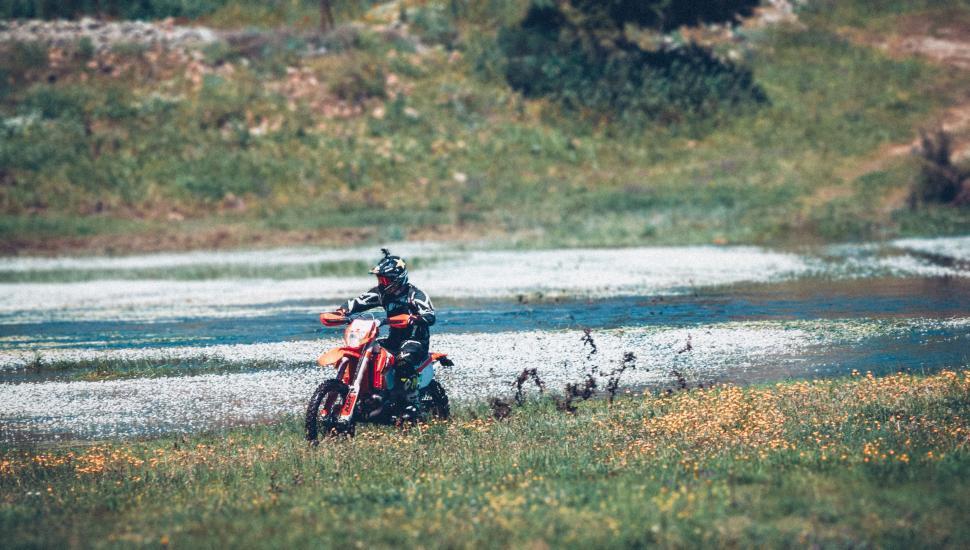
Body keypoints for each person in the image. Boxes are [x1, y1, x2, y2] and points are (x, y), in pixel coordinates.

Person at [331, 248, 436, 417]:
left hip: (415, 340)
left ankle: (412, 402)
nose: (382, 283)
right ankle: (373, 395)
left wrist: (412, 319)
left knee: (403, 361)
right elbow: (357, 302)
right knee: (368, 352)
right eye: (380, 279)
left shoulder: (415, 295)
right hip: (394, 339)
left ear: (398, 279)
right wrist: (341, 311)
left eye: (386, 279)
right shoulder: (381, 293)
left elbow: (430, 316)